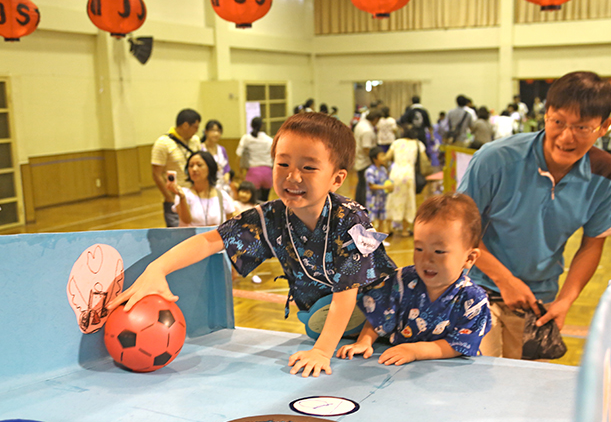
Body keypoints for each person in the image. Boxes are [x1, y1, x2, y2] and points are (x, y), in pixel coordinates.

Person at [108, 112, 396, 377]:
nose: (292, 176)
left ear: (337, 178)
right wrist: (157, 269)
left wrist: (322, 351)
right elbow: (211, 240)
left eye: (308, 167)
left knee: (328, 322)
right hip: (328, 314)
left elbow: (347, 292)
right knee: (314, 320)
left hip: (389, 306)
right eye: (283, 163)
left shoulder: (353, 218)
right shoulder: (272, 216)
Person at [457, 71, 611, 359]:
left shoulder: (606, 172)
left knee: (524, 389)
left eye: (582, 128)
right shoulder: (495, 159)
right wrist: (504, 280)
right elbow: (460, 232)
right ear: (546, 114)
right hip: (477, 287)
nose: (566, 137)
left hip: (540, 300)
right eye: (558, 122)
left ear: (605, 126)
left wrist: (566, 300)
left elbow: (592, 245)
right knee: (479, 379)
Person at [337, 193, 491, 365]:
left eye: (439, 251)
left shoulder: (474, 300)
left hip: (448, 375)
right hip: (397, 368)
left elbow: (458, 345)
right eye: (419, 248)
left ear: (469, 258)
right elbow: (378, 315)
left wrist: (415, 351)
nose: (426, 259)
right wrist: (364, 341)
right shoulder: (403, 280)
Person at [152, 109, 201, 227]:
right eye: (195, 127)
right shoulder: (163, 143)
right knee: (175, 234)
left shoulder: (195, 141)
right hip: (176, 196)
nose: (197, 131)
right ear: (185, 125)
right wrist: (169, 197)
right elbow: (156, 174)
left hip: (195, 195)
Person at [171, 151, 235, 227]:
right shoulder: (183, 194)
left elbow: (230, 226)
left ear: (210, 168)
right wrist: (182, 197)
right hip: (191, 238)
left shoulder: (222, 195)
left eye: (199, 165)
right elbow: (186, 220)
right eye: (191, 166)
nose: (194, 169)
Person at [385, 127, 421, 237]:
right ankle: (405, 230)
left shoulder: (396, 143)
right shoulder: (417, 144)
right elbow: (424, 158)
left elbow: (387, 157)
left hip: (395, 173)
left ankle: (387, 228)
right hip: (409, 175)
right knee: (408, 201)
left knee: (391, 199)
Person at [236, 117, 273, 201]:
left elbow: (239, 155)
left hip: (253, 173)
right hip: (267, 173)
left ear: (251, 125)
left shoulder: (246, 138)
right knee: (265, 202)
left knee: (253, 203)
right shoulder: (269, 140)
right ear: (262, 126)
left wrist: (240, 172)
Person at [354, 109, 381, 207]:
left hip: (359, 159)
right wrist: (376, 159)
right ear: (376, 119)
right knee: (364, 186)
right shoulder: (367, 131)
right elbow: (366, 148)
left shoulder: (360, 124)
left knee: (361, 184)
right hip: (365, 161)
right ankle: (362, 206)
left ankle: (358, 205)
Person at [364, 147, 393, 235]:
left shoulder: (383, 170)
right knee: (371, 219)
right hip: (373, 200)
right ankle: (370, 238)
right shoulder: (370, 171)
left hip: (382, 199)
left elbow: (387, 181)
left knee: (381, 218)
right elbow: (371, 185)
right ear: (375, 159)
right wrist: (385, 187)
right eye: (381, 156)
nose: (384, 158)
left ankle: (379, 238)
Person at [201, 120, 231, 193]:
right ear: (206, 132)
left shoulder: (222, 149)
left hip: (222, 186)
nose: (216, 134)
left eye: (219, 131)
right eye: (213, 131)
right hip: (206, 185)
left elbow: (226, 168)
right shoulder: (200, 148)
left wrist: (227, 175)